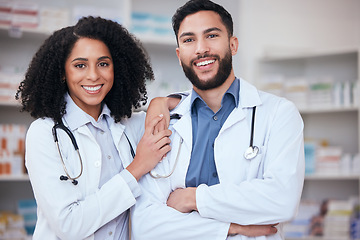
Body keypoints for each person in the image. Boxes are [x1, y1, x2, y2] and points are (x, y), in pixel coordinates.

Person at [131, 0, 305, 239]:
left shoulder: (279, 114)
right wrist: (229, 228)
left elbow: (282, 200)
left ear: (232, 44)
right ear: (179, 54)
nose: (201, 49)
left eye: (211, 35)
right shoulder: (163, 122)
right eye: (189, 39)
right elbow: (145, 224)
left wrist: (192, 199)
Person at [15, 16, 178, 240]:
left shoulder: (131, 125)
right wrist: (137, 167)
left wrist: (161, 101)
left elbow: (194, 103)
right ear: (63, 72)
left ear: (115, 68)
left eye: (103, 64)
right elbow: (69, 226)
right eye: (80, 65)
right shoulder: (44, 133)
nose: (93, 75)